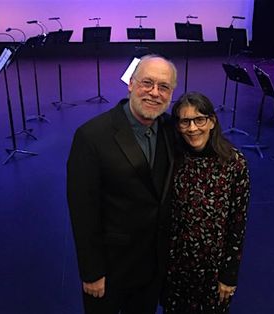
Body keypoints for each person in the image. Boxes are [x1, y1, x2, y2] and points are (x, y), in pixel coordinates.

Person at [67, 54, 177, 314]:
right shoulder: (91, 136)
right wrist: (92, 271)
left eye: (164, 87)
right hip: (110, 269)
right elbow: (82, 211)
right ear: (130, 83)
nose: (154, 93)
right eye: (147, 83)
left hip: (152, 267)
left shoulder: (172, 128)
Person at [162, 92, 250, 313]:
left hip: (213, 270)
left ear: (212, 121)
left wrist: (229, 275)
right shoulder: (173, 158)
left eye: (199, 119)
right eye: (185, 121)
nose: (192, 128)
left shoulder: (234, 163)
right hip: (176, 268)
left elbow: (237, 224)